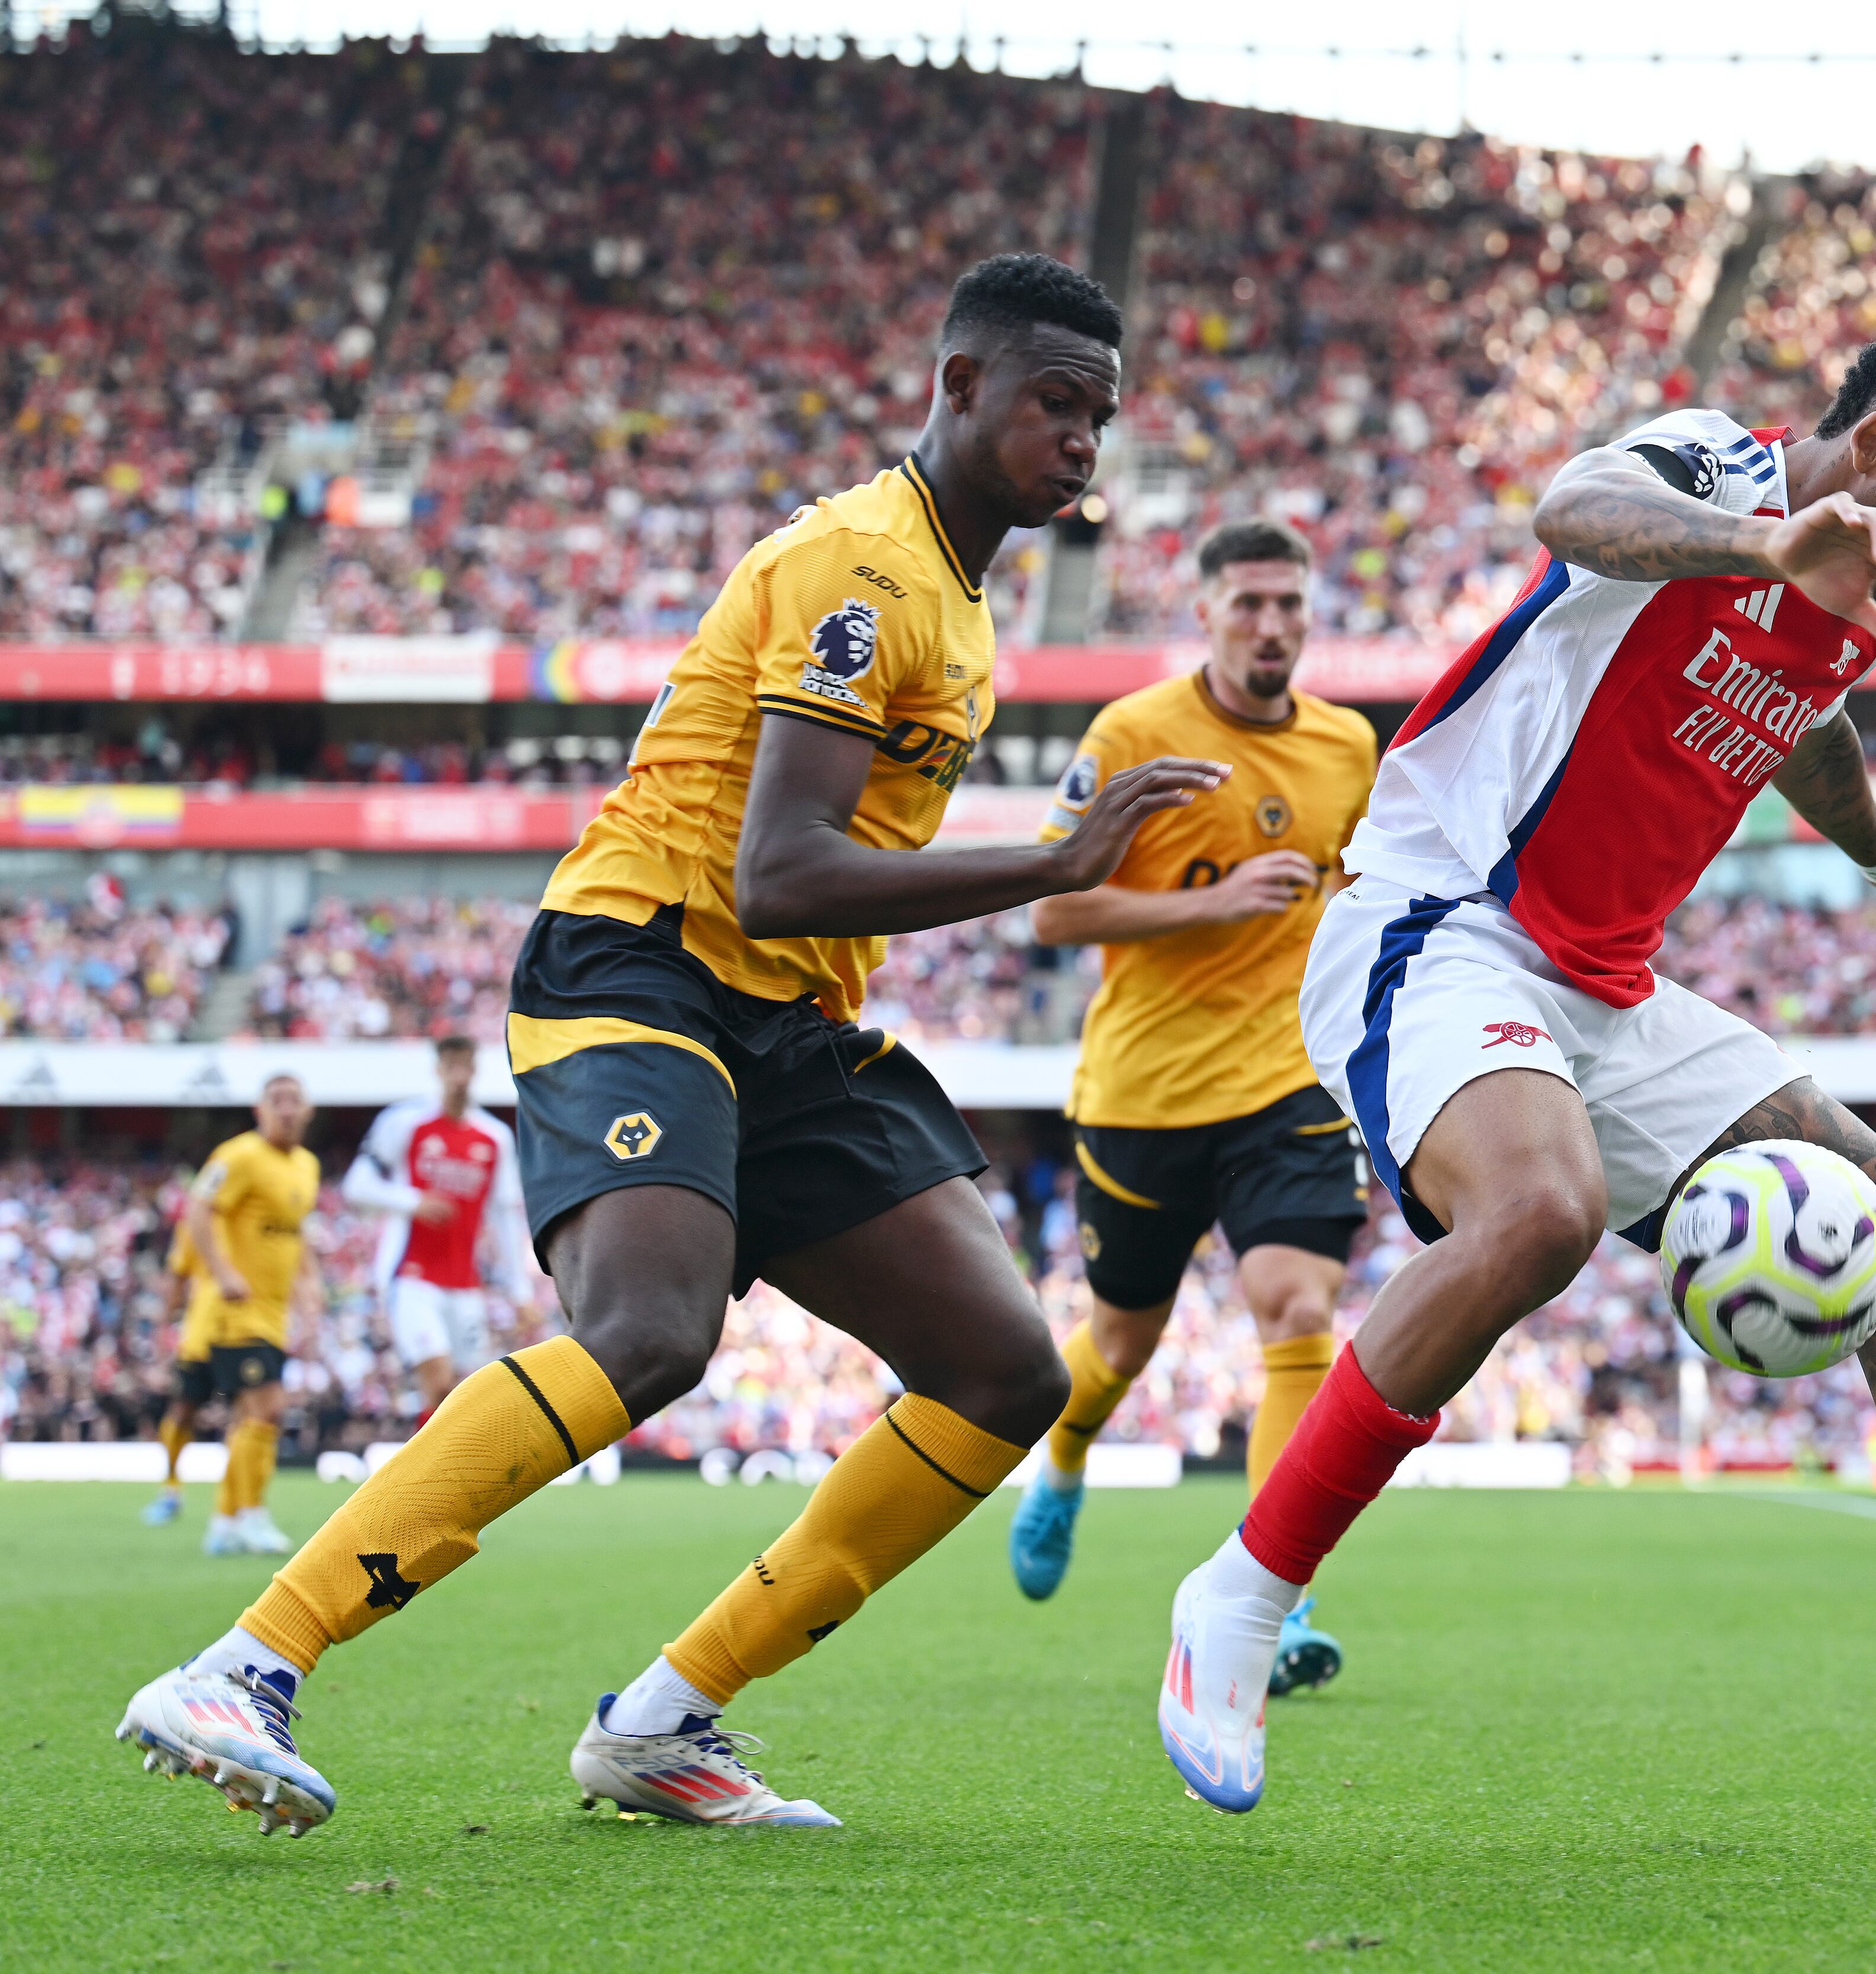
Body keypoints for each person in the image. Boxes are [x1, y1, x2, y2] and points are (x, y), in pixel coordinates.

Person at [1154, 318, 1876, 1815]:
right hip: (1440, 920)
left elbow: (1802, 720)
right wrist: (1762, 538)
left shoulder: (1855, 591)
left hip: (1607, 988)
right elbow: (1570, 508)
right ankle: (1241, 1597)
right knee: (1538, 1211)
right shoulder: (1713, 466)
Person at [117, 253, 1229, 1837]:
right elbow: (777, 869)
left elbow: (801, 905)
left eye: (1103, 417)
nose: (1083, 442)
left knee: (1000, 1371)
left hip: (786, 1014)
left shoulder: (959, 596)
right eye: (1057, 402)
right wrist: (1051, 866)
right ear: (959, 384)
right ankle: (250, 1659)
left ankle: (661, 1721)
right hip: (643, 961)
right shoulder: (865, 567)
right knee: (653, 1327)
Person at [1007, 516, 1378, 1696]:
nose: (1272, 627)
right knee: (1121, 1340)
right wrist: (1209, 909)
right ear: (1207, 610)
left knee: (1297, 1305)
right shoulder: (1137, 734)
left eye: (1290, 605)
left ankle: (1277, 1589)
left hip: (1291, 1079)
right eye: (1249, 604)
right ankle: (1064, 1448)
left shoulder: (1347, 745)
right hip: (1147, 1089)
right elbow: (1054, 913)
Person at [341, 1035, 533, 1416]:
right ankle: (429, 1477)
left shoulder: (495, 1138)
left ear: (476, 1069)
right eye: (451, 1065)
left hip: (465, 1283)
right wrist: (413, 1201)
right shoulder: (404, 1123)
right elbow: (356, 1186)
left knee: (465, 1395)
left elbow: (504, 1218)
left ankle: (452, 1473)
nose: (459, 1075)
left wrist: (519, 1290)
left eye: (466, 1064)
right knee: (439, 1380)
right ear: (438, 1069)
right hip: (411, 1275)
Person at [185, 1076, 324, 1558]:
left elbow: (296, 1232)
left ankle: (224, 1521)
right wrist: (222, 1271)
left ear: (308, 1110)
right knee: (268, 1409)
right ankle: (252, 1514)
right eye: (277, 1101)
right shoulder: (238, 1156)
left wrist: (310, 1285)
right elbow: (198, 1209)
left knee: (250, 1417)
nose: (286, 1109)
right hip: (240, 1311)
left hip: (275, 1311)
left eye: (295, 1100)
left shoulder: (307, 1166)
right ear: (259, 1110)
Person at [140, 1214, 214, 1527]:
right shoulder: (197, 1227)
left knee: (252, 1416)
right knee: (182, 1414)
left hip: (244, 1333)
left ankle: (240, 1510)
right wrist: (163, 1332)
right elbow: (178, 1280)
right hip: (201, 1337)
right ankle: (170, 1491)